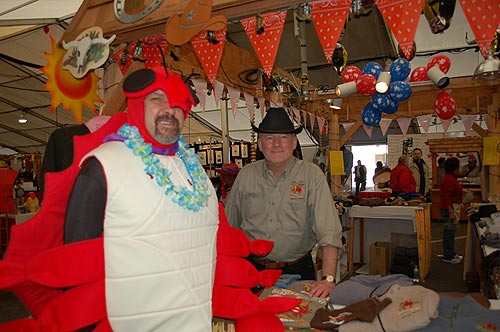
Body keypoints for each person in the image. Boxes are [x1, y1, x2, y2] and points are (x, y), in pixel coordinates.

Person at [64, 67, 219, 331]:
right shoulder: (104, 165)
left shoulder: (196, 171)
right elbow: (75, 263)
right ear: (137, 102)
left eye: (179, 104)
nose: (170, 110)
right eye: (157, 98)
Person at [225, 107, 343, 299]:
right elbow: (230, 231)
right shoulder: (246, 176)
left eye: (284, 137)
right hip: (251, 272)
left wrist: (328, 279)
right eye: (269, 138)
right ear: (260, 144)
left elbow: (328, 231)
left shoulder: (312, 176)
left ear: (294, 142)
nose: (277, 144)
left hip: (298, 273)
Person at [438, 157, 464, 264]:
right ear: (454, 168)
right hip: (448, 208)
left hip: (450, 207)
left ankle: (450, 253)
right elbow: (446, 197)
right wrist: (451, 211)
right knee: (449, 232)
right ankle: (448, 256)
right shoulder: (448, 179)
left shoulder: (451, 177)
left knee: (450, 232)